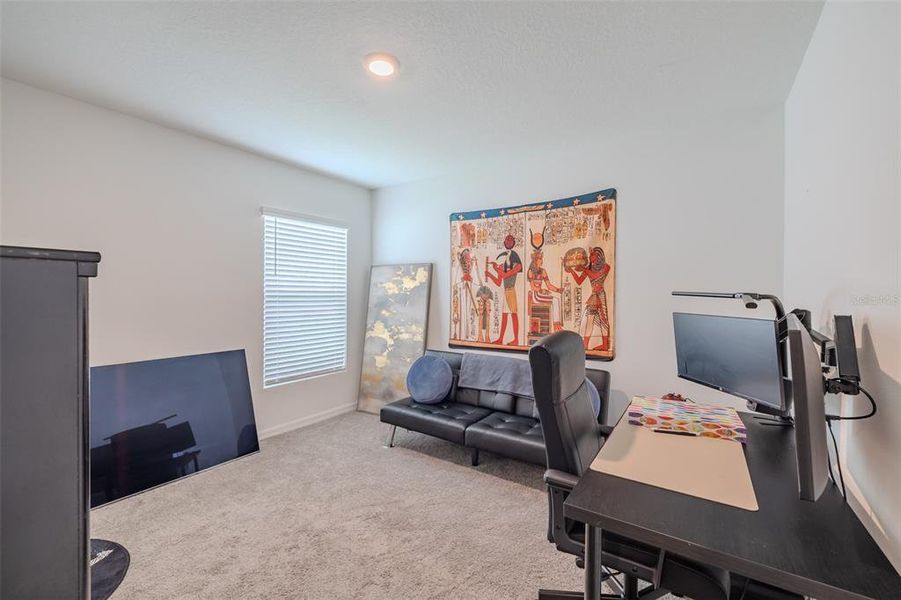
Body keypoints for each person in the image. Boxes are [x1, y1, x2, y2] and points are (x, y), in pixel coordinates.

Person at [565, 246, 611, 351]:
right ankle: (585, 345)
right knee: (589, 321)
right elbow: (579, 281)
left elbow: (595, 276)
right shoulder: (589, 269)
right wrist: (572, 271)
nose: (590, 256)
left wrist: (585, 269)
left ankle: (605, 345)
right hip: (593, 296)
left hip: (600, 296)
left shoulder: (606, 267)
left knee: (604, 321)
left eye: (592, 254)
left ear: (599, 256)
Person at [485, 234, 522, 346]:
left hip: (511, 290)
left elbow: (506, 275)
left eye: (510, 239)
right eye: (506, 239)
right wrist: (490, 273)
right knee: (505, 315)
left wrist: (497, 269)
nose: (508, 241)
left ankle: (516, 340)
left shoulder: (516, 261)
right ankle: (501, 339)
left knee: (513, 314)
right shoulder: (505, 265)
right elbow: (498, 281)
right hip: (506, 291)